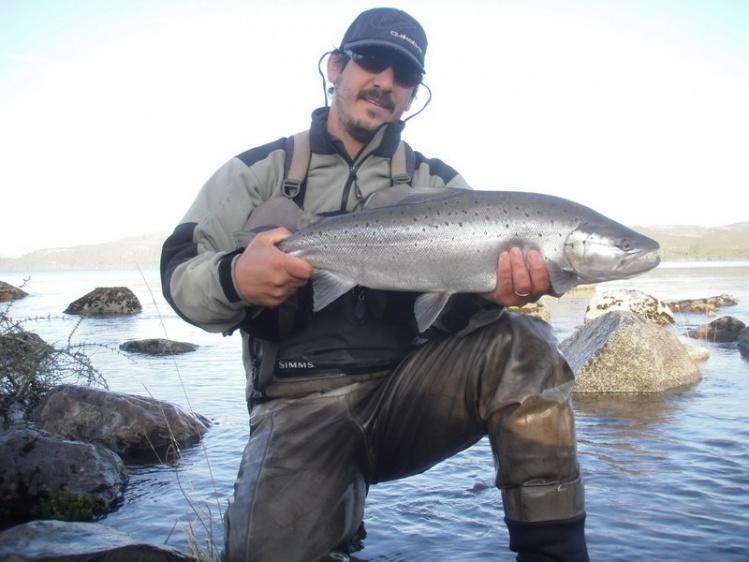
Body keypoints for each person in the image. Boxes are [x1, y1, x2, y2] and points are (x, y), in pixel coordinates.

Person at [161, 7, 589, 562]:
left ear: (413, 94)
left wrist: (488, 296)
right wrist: (234, 277)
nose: (385, 82)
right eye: (372, 61)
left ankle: (556, 553)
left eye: (403, 75)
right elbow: (178, 273)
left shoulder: (444, 187)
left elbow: (456, 320)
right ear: (336, 67)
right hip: (297, 408)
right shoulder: (255, 171)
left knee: (525, 344)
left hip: (410, 396)